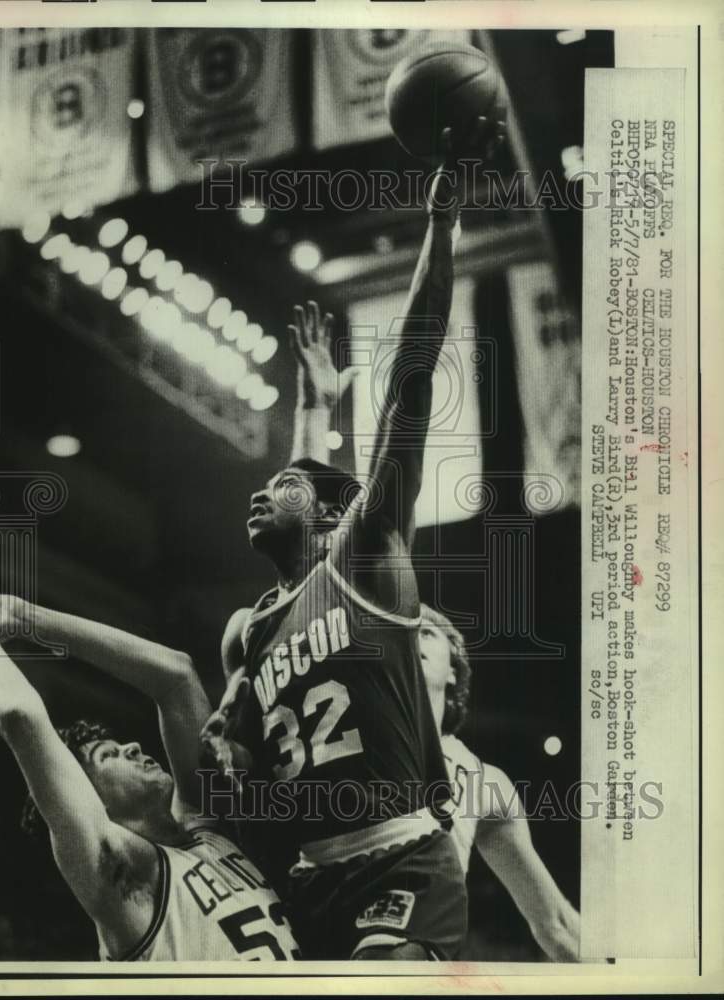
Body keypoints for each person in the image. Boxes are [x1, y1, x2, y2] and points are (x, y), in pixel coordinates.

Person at [204, 120, 505, 961]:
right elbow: (298, 524)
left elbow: (413, 371)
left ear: (335, 516)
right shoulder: (251, 631)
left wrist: (440, 228)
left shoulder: (365, 553)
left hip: (401, 860)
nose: (263, 493)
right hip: (306, 877)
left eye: (284, 488)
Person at [0, 571, 300, 962]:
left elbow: (177, 677)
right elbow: (18, 717)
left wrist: (26, 617)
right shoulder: (123, 879)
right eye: (108, 756)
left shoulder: (204, 823)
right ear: (89, 800)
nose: (131, 746)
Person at [417, 604, 580, 962]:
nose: (412, 639)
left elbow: (555, 924)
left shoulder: (485, 781)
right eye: (402, 634)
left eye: (425, 632)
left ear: (453, 672)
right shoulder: (349, 736)